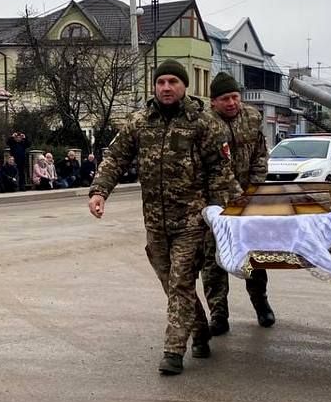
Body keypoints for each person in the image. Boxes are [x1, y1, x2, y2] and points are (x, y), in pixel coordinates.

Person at [88, 60, 240, 376]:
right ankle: (199, 328)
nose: (166, 87)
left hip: (192, 221)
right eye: (161, 82)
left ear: (185, 86)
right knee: (170, 283)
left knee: (181, 280)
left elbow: (220, 171)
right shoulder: (139, 122)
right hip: (155, 222)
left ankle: (173, 350)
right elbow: (115, 158)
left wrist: (221, 211)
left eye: (173, 81)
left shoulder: (203, 123)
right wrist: (99, 191)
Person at [200, 72, 274, 334]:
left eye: (234, 97)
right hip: (216, 203)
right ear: (213, 102)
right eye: (224, 99)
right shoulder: (205, 124)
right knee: (214, 261)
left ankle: (261, 304)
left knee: (254, 257)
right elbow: (211, 165)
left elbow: (261, 155)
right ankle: (218, 315)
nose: (231, 103)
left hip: (248, 199)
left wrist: (252, 190)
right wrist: (229, 196)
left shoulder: (253, 117)